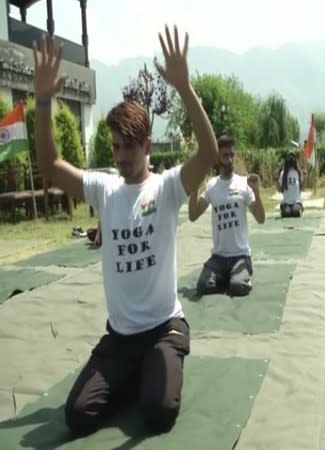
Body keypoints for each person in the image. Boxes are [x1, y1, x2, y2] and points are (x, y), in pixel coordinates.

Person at [32, 26, 218, 435]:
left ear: (147, 146)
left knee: (158, 413)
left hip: (163, 330)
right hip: (120, 337)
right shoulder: (104, 189)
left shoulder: (167, 188)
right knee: (78, 416)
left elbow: (208, 153)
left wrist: (185, 88)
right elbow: (50, 166)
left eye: (128, 147)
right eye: (115, 147)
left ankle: (158, 368)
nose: (119, 157)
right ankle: (136, 373)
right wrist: (43, 102)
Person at [188, 135, 266, 297]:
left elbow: (261, 218)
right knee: (203, 286)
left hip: (240, 257)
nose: (230, 159)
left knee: (238, 287)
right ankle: (227, 276)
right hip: (218, 257)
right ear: (218, 158)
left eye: (232, 154)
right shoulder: (212, 186)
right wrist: (194, 187)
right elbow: (193, 215)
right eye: (225, 155)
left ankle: (238, 277)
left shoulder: (244, 184)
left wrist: (257, 191)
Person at [278, 152, 303, 217]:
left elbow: (301, 186)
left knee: (295, 212)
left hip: (296, 202)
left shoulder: (298, 173)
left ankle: (300, 208)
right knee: (286, 213)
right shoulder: (283, 174)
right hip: (286, 202)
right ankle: (283, 209)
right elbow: (280, 188)